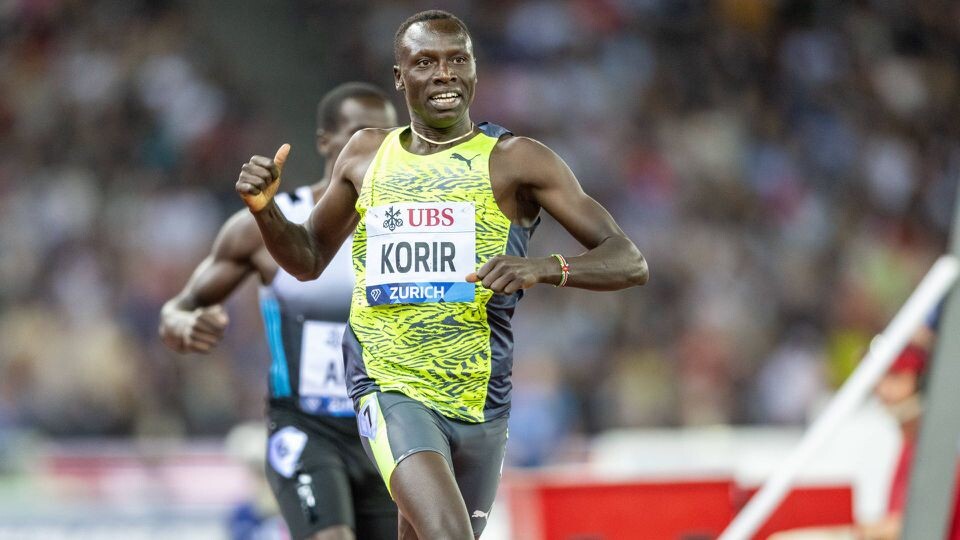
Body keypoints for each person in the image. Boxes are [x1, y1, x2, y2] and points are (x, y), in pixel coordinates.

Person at [235, 10, 648, 539]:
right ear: (399, 76)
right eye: (425, 62)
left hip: (480, 399)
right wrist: (266, 211)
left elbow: (627, 259)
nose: (444, 73)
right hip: (388, 384)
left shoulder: (516, 161)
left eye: (458, 59)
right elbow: (308, 258)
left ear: (475, 68)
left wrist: (544, 268)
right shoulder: (365, 154)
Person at [160, 82, 399, 540]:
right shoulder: (269, 223)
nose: (374, 149)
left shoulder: (412, 231)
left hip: (388, 429)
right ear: (325, 141)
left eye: (387, 137)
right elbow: (179, 309)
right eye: (360, 134)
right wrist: (184, 325)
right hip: (306, 428)